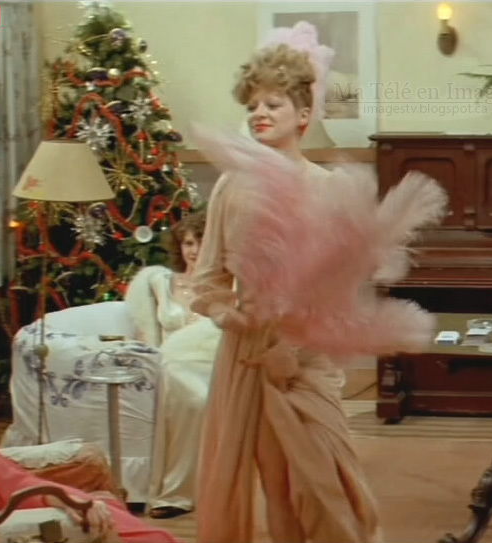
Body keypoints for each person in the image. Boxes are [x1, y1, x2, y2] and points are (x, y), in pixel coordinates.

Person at [190, 22, 386, 543]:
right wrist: (227, 315)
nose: (259, 113)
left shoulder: (329, 188)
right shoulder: (231, 186)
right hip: (249, 353)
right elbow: (208, 279)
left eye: (272, 104)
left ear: (303, 115)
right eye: (252, 105)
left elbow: (343, 290)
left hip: (308, 354)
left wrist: (298, 344)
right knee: (275, 484)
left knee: (327, 478)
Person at [0, 349, 177, 542]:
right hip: (6, 527)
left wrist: (60, 498)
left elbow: (6, 476)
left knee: (152, 535)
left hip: (22, 503)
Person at [123, 210, 222, 519]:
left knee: (199, 398)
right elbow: (144, 328)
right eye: (188, 243)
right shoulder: (160, 282)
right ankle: (166, 491)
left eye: (201, 243)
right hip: (167, 362)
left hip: (210, 363)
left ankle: (184, 492)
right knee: (181, 389)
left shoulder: (226, 285)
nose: (194, 251)